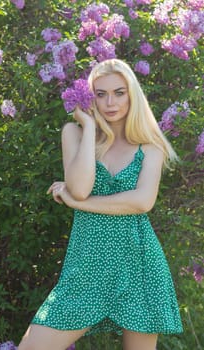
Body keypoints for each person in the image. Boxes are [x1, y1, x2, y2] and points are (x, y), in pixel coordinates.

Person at [18, 59, 183, 350]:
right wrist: (91, 125)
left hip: (138, 264)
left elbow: (142, 201)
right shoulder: (75, 133)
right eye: (101, 93)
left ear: (132, 95)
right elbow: (80, 189)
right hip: (87, 268)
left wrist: (75, 202)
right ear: (89, 97)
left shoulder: (150, 146)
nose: (111, 102)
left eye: (119, 92)